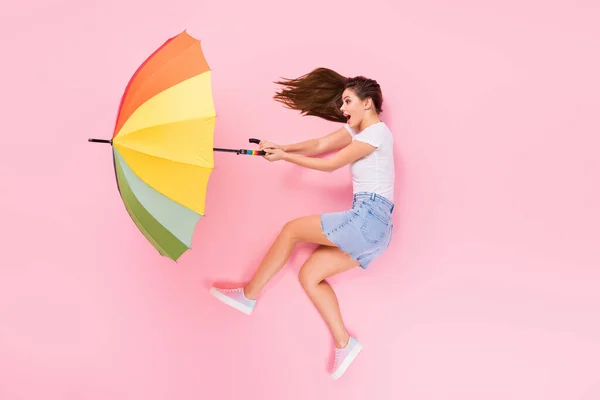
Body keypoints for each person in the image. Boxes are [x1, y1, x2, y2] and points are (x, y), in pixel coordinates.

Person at [209, 67, 395, 380]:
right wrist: (280, 147)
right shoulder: (360, 132)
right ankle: (344, 343)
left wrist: (283, 158)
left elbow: (331, 164)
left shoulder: (377, 131)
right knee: (310, 274)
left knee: (292, 230)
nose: (342, 108)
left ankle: (249, 295)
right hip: (377, 231)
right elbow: (321, 146)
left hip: (369, 215)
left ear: (368, 103)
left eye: (348, 101)